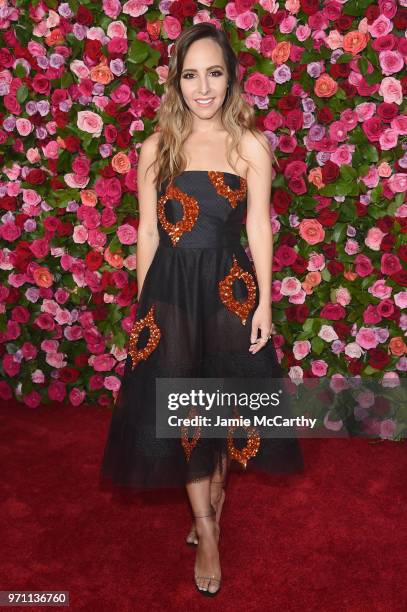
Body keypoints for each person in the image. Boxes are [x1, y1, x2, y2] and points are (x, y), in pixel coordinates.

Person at [100, 23, 304, 597]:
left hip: (230, 289)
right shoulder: (157, 147)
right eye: (191, 74)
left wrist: (265, 300)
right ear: (177, 82)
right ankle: (206, 529)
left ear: (232, 76)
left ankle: (215, 490)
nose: (203, 87)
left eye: (214, 72)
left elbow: (260, 227)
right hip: (171, 289)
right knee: (184, 410)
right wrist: (148, 306)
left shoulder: (251, 145)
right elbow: (145, 233)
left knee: (221, 403)